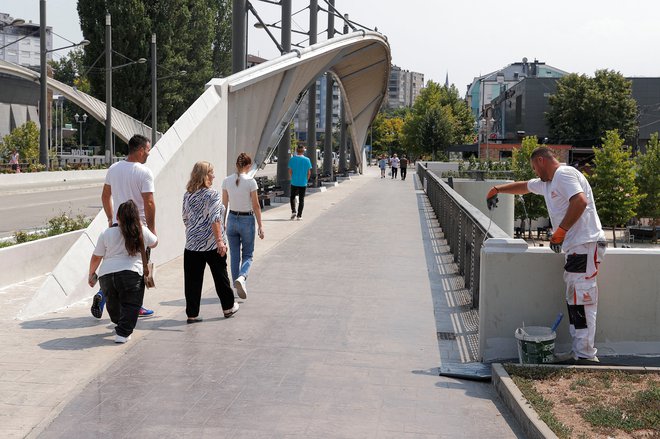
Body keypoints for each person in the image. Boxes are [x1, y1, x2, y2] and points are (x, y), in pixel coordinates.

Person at [486, 147, 606, 362]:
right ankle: (580, 351)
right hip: (577, 247)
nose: (535, 171)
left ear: (541, 161)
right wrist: (497, 189)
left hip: (584, 245)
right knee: (575, 299)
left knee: (582, 299)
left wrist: (560, 231)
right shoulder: (549, 182)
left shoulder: (564, 174)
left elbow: (579, 201)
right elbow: (525, 187)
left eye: (534, 166)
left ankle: (586, 355)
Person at [97, 134, 156, 318]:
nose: (148, 154)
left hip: (117, 224)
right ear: (140, 151)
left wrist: (110, 217)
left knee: (116, 263)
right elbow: (149, 203)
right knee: (137, 268)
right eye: (147, 150)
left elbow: (105, 196)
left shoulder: (114, 168)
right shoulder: (144, 172)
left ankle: (102, 294)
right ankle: (135, 305)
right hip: (137, 228)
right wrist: (151, 229)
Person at [88, 200, 158, 343]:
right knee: (131, 304)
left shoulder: (107, 233)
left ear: (118, 217)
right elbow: (154, 243)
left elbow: (96, 256)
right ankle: (122, 333)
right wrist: (145, 227)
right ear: (136, 217)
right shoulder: (141, 230)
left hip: (106, 276)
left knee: (113, 305)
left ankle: (120, 325)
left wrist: (91, 274)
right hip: (131, 274)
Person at [182, 162, 238, 322]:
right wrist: (219, 240)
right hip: (212, 244)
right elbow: (215, 219)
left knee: (192, 281)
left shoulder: (188, 194)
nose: (213, 175)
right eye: (211, 173)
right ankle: (228, 308)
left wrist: (195, 232)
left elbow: (185, 218)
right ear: (204, 175)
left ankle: (192, 314)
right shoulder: (212, 195)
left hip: (192, 245)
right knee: (221, 277)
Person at [221, 153, 265, 300]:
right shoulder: (251, 182)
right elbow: (256, 205)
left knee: (234, 255)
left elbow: (224, 205)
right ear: (248, 166)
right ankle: (242, 277)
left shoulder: (226, 181)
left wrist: (223, 223)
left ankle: (236, 284)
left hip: (232, 219)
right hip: (247, 219)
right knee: (248, 254)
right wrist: (260, 225)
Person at [288, 145, 312, 220]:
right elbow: (309, 173)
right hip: (303, 182)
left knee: (292, 197)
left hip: (294, 182)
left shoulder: (292, 159)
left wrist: (293, 177)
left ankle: (293, 211)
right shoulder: (307, 160)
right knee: (301, 199)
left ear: (296, 150)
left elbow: (290, 171)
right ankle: (299, 215)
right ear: (303, 151)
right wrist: (306, 180)